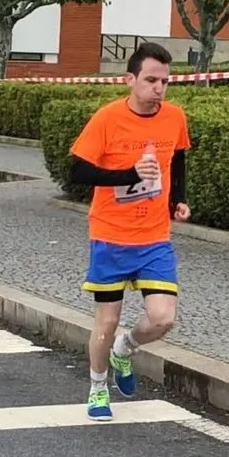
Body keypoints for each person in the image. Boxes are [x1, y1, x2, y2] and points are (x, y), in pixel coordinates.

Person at [67, 42, 191, 421]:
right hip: (110, 236)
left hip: (154, 237)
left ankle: (125, 348)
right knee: (106, 322)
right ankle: (97, 388)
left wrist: (178, 199)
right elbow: (78, 171)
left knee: (163, 318)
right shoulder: (107, 119)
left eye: (164, 81)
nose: (159, 88)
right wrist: (128, 175)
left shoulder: (174, 117)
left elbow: (178, 158)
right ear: (130, 80)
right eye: (151, 80)